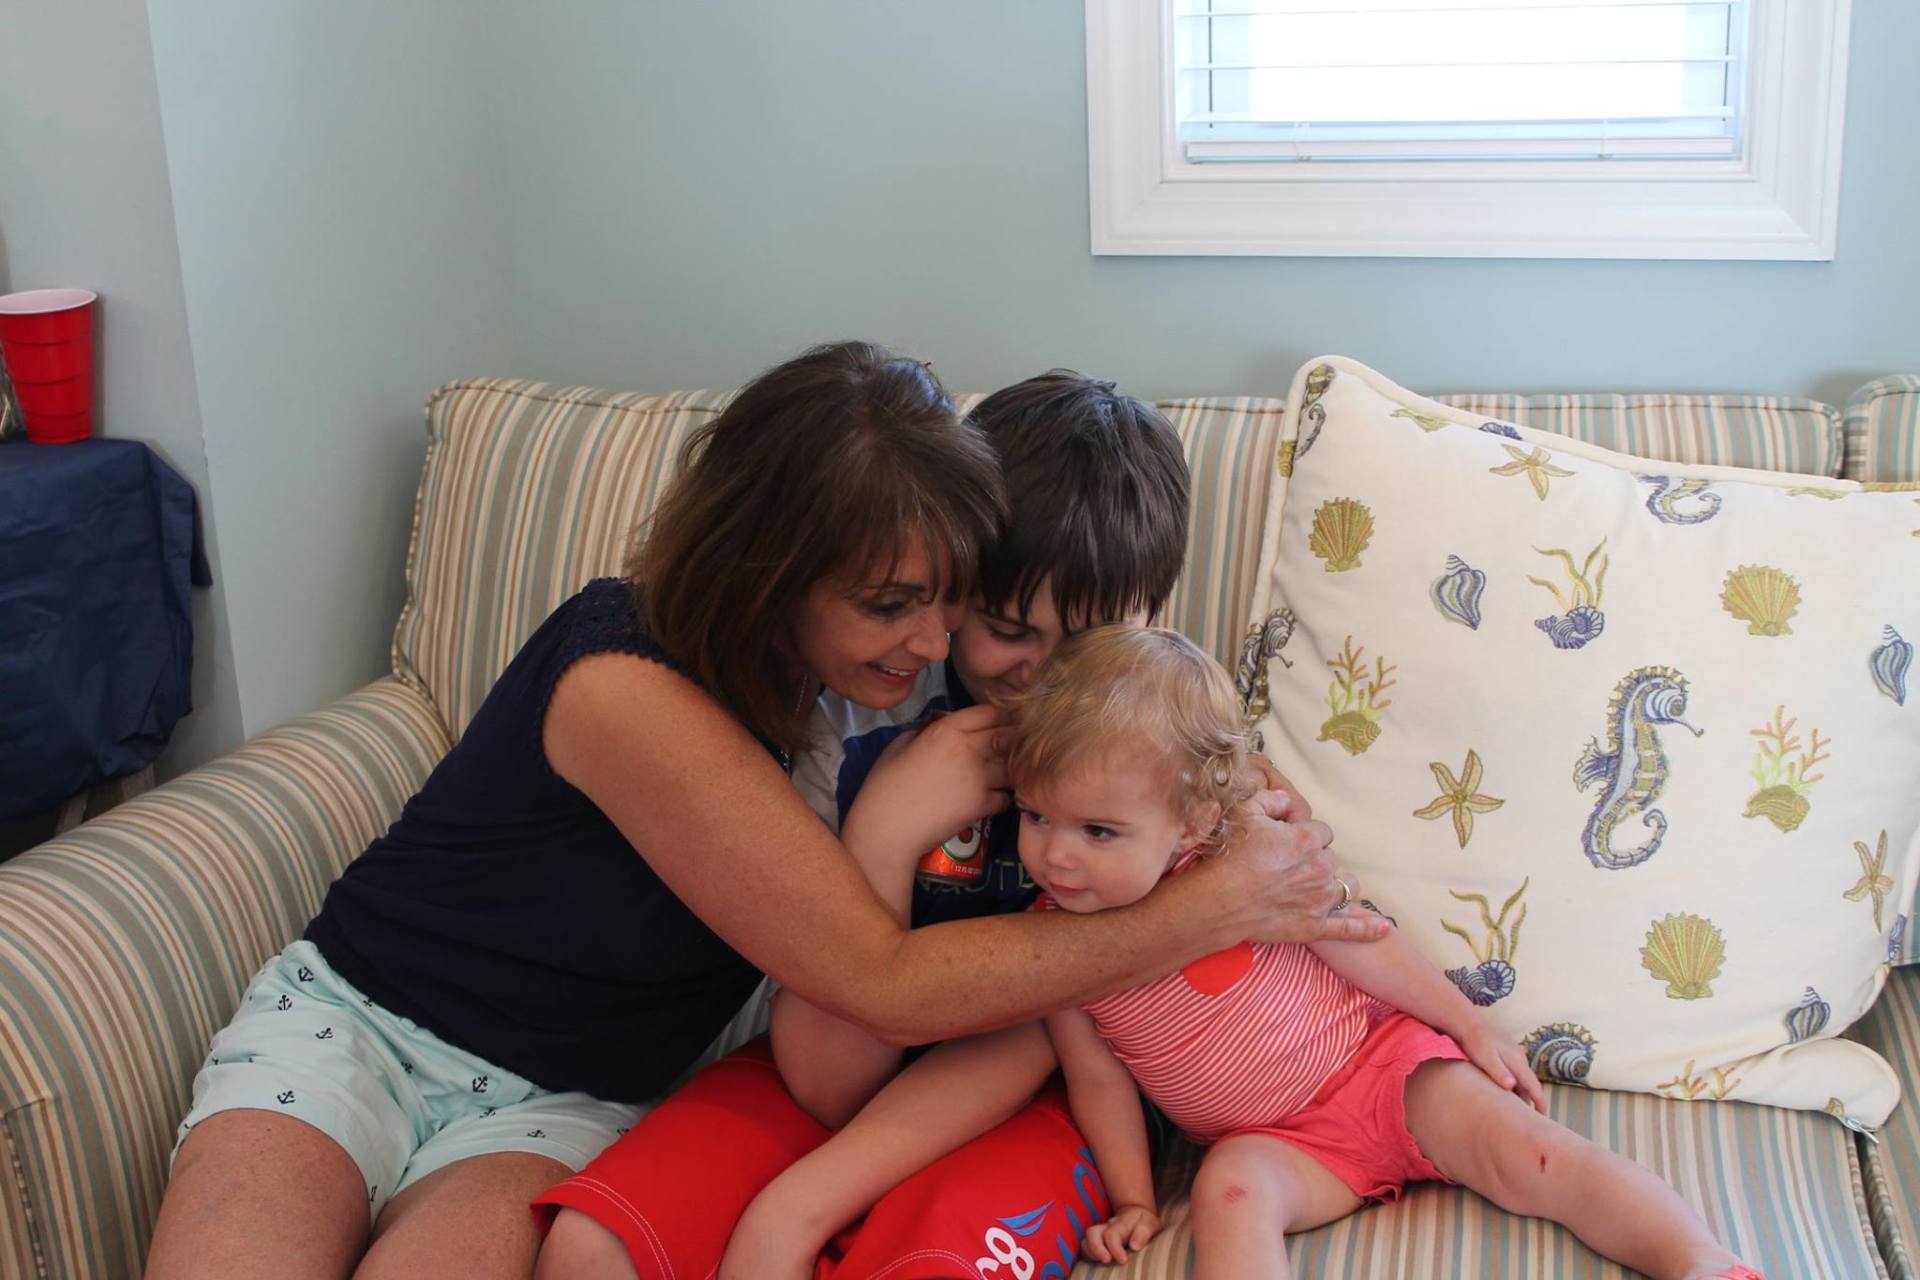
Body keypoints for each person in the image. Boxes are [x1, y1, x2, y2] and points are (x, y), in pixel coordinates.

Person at [143, 344, 1374, 1280]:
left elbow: (1268, 845)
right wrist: (1214, 898)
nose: (940, 642)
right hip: (359, 1026)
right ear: (773, 574)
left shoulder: (1023, 717)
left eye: (951, 601)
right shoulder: (640, 684)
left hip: (565, 1097)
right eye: (905, 603)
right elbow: (871, 981)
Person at [531, 372, 1346, 1279]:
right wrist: (884, 829)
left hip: (1050, 1097)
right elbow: (824, 1081)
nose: (1040, 677)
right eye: (1003, 627)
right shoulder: (861, 730)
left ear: (1147, 614)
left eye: (1083, 642)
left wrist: (804, 1204)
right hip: (845, 1062)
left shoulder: (1177, 749)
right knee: (590, 1249)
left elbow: (1274, 902)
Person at [1005, 626, 1764, 1280]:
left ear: (1196, 820)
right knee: (1228, 1194)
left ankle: (1697, 1259)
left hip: (1384, 1071)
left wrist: (1469, 1028)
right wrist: (1134, 1199)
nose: (1054, 856)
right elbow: (1098, 1081)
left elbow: (1362, 940)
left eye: (1096, 832)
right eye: (1035, 816)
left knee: (1535, 1155)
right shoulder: (1055, 949)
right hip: (1271, 1146)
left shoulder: (1243, 868)